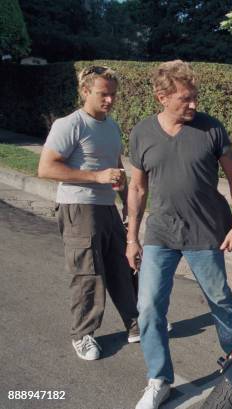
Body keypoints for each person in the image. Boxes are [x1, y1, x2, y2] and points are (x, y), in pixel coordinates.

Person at [126, 60, 232, 409]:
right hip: (160, 233)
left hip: (205, 233)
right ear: (161, 97)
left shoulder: (211, 129)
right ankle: (159, 378)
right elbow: (137, 187)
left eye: (195, 97)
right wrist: (132, 237)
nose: (194, 105)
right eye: (185, 98)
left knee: (221, 302)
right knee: (148, 308)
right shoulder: (142, 133)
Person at [38, 65, 140, 361]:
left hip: (106, 207)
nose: (110, 100)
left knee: (124, 266)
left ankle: (134, 324)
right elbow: (46, 168)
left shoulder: (111, 125)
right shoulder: (70, 124)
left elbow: (115, 164)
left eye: (113, 95)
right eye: (103, 94)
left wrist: (125, 202)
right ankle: (82, 334)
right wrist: (96, 177)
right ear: (85, 91)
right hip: (78, 206)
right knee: (88, 273)